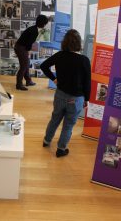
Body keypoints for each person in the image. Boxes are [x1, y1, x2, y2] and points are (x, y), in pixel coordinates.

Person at [40, 29, 91, 158]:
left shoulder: (60, 55)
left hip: (60, 94)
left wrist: (54, 79)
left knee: (55, 119)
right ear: (79, 43)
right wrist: (87, 99)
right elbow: (87, 82)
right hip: (76, 99)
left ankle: (46, 141)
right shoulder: (84, 60)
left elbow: (43, 66)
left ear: (65, 42)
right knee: (68, 125)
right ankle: (61, 149)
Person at [14, 14, 49, 90]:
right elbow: (28, 44)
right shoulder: (34, 31)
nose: (45, 25)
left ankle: (28, 81)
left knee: (27, 63)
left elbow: (28, 43)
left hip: (21, 47)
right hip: (21, 48)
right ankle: (19, 85)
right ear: (43, 24)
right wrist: (28, 51)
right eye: (45, 24)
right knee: (23, 66)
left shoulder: (34, 28)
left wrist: (27, 51)